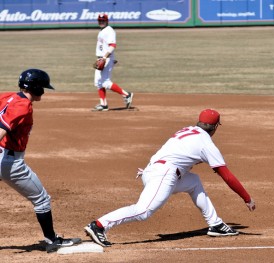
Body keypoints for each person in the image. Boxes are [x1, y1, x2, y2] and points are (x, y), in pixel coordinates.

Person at [84, 109, 256, 247]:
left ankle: (216, 224)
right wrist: (246, 198)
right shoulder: (206, 143)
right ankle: (99, 225)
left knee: (194, 182)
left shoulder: (188, 130)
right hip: (164, 175)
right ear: (216, 127)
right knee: (143, 211)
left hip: (154, 169)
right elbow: (226, 175)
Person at [0, 69, 81, 253]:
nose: (44, 91)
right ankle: (52, 240)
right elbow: (2, 128)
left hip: (2, 155)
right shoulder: (23, 106)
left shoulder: (8, 97)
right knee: (42, 199)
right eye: (42, 87)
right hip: (10, 163)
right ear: (35, 87)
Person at [93, 13, 134, 111]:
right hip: (102, 58)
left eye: (103, 20)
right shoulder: (102, 31)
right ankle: (103, 105)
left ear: (107, 21)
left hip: (105, 59)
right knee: (98, 82)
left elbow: (112, 45)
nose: (101, 22)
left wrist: (105, 58)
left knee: (105, 82)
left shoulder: (109, 31)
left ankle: (126, 94)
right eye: (100, 20)